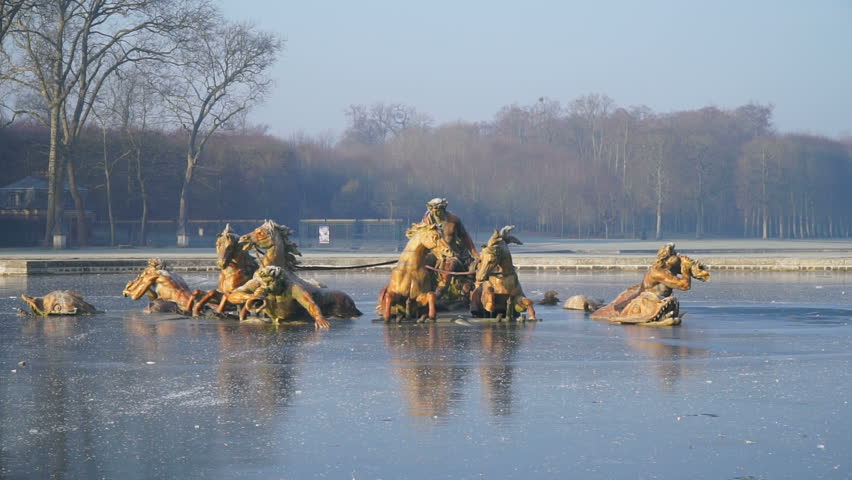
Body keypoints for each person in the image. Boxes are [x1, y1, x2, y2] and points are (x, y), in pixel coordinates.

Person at [421, 198, 479, 298]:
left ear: (444, 208)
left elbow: (465, 237)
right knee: (421, 262)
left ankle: (439, 293)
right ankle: (420, 290)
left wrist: (475, 253)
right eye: (433, 209)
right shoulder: (427, 221)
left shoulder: (453, 221)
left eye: (439, 209)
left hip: (452, 254)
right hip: (434, 253)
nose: (436, 211)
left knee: (450, 265)